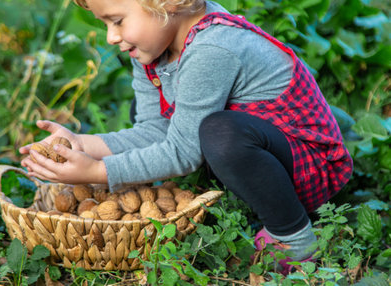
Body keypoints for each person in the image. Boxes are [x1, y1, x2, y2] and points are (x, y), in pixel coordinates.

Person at [19, 0, 353, 273]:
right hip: (265, 159)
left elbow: (182, 152)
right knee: (211, 134)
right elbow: (156, 131)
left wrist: (96, 172)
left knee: (220, 133)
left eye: (117, 20)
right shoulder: (154, 47)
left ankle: (293, 235)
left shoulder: (213, 48)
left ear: (164, 3)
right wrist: (82, 144)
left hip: (309, 167)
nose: (111, 37)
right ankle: (261, 210)